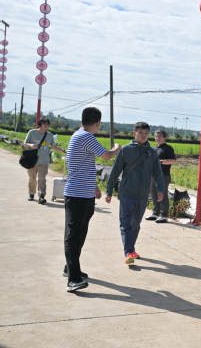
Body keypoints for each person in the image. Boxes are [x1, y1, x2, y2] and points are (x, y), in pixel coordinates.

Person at [63, 107, 121, 292]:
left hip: (84, 193)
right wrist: (117, 149)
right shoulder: (86, 136)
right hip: (77, 195)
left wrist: (94, 186)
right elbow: (107, 156)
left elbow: (82, 166)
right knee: (73, 236)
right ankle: (73, 280)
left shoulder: (78, 135)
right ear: (97, 123)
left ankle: (71, 268)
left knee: (80, 233)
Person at [105, 122, 165, 265]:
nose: (143, 135)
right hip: (127, 192)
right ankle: (128, 252)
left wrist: (160, 189)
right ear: (134, 133)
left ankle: (131, 249)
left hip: (143, 194)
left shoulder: (151, 152)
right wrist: (109, 190)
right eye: (140, 132)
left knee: (136, 224)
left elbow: (158, 172)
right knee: (126, 223)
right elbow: (115, 171)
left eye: (146, 133)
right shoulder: (126, 150)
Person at [23, 117, 66, 204]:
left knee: (42, 179)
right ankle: (31, 194)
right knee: (32, 178)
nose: (46, 125)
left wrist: (64, 151)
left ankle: (41, 196)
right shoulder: (32, 132)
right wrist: (31, 145)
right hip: (32, 160)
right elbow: (25, 143)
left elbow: (54, 146)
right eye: (44, 124)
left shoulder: (49, 135)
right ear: (40, 124)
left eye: (47, 124)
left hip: (44, 161)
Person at [145, 130, 177, 223]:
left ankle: (164, 215)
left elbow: (172, 160)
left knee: (162, 194)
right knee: (154, 194)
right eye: (156, 136)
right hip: (153, 175)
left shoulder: (168, 148)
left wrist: (160, 161)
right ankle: (155, 213)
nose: (157, 138)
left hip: (163, 175)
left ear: (164, 138)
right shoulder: (153, 149)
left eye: (160, 136)